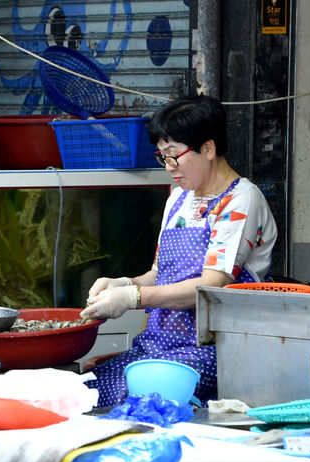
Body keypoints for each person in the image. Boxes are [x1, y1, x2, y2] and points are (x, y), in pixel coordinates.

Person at [81, 95, 276, 407]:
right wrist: (124, 284)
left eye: (173, 156)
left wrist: (134, 299)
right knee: (87, 390)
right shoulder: (179, 198)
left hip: (214, 349)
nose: (169, 167)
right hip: (157, 345)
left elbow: (213, 285)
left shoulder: (240, 200)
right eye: (162, 157)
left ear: (208, 149)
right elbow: (158, 275)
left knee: (136, 399)